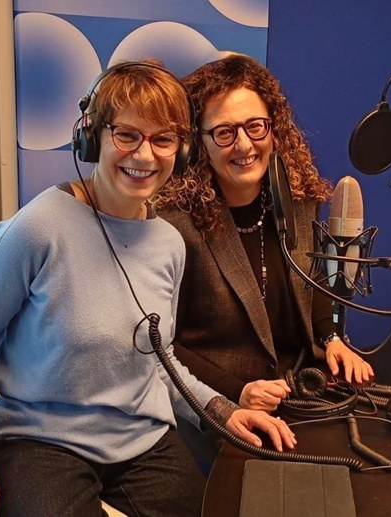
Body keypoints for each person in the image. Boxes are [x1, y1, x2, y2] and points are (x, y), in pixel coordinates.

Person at [0, 62, 295, 517]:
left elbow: (159, 363)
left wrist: (224, 411)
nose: (144, 155)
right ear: (93, 138)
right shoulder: (37, 228)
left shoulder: (169, 243)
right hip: (41, 441)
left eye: (163, 139)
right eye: (127, 135)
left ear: (183, 150)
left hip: (140, 441)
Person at [156, 54, 374, 419]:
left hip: (300, 391)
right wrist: (235, 392)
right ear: (197, 143)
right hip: (222, 407)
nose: (244, 145)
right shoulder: (174, 227)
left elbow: (312, 279)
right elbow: (164, 346)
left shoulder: (298, 201)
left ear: (274, 129)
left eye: (255, 126)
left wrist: (331, 338)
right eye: (224, 132)